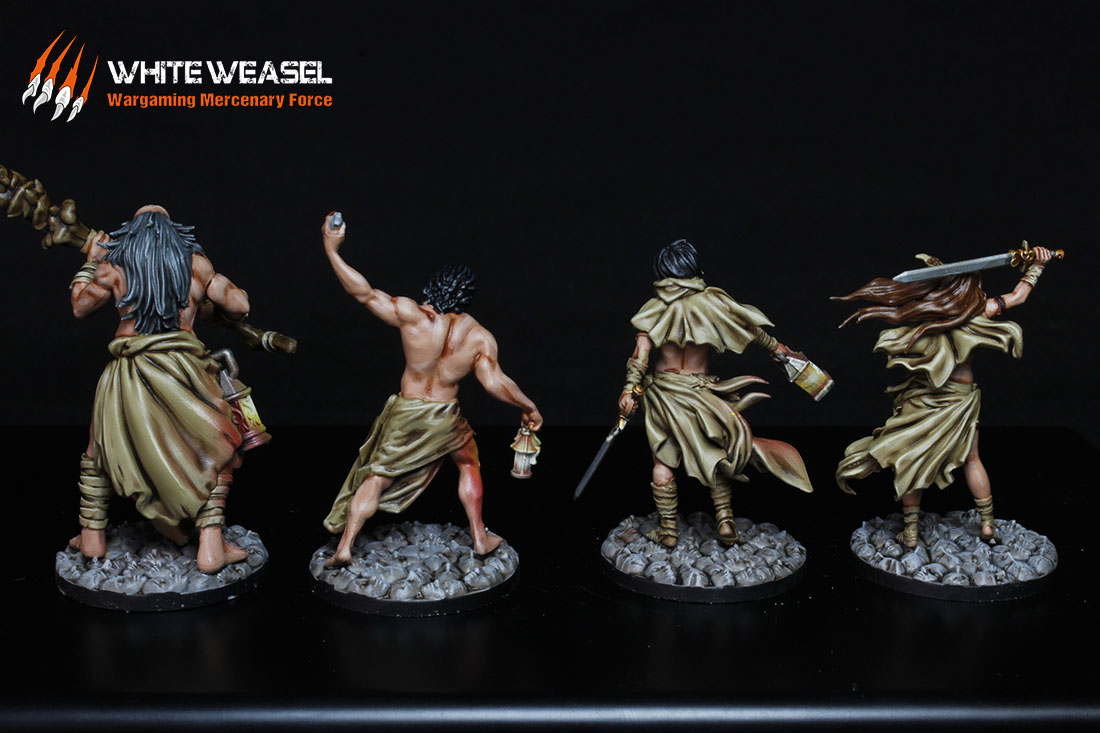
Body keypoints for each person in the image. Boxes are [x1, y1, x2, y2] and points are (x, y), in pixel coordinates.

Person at [320, 213, 542, 566]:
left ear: (433, 286)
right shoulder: (478, 336)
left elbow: (364, 293)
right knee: (468, 462)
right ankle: (479, 537)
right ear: (466, 296)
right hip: (443, 415)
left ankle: (345, 546)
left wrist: (332, 250)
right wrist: (528, 406)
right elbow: (494, 382)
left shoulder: (413, 316)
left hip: (406, 411)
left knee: (377, 476)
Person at [68, 205, 253, 573]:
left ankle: (92, 536)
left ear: (129, 237)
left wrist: (91, 262)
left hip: (128, 371)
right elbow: (239, 305)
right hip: (186, 372)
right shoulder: (197, 265)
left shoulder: (113, 265)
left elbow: (80, 305)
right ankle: (211, 546)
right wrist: (208, 297)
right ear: (178, 237)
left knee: (98, 450)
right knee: (215, 450)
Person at [834, 247, 1056, 547]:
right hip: (959, 398)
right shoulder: (978, 310)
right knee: (972, 458)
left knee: (911, 456)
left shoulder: (929, 316)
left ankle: (911, 531)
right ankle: (987, 525)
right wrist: (1037, 266)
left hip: (929, 399)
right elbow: (1017, 297)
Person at [617, 239, 813, 548]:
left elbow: (640, 357)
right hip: (702, 394)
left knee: (663, 460)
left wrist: (630, 390)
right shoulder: (713, 303)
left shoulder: (654, 310)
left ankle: (668, 530)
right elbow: (752, 331)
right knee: (714, 453)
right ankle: (725, 519)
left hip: (665, 395)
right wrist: (779, 350)